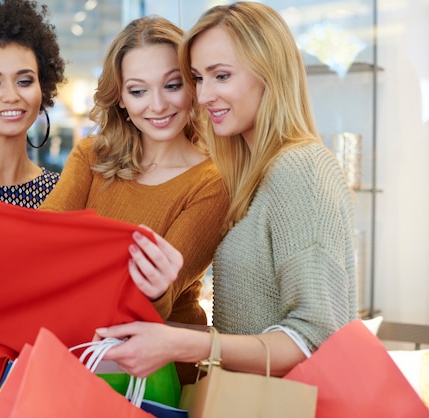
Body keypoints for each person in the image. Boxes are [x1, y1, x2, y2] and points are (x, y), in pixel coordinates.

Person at [0, 11, 228, 384]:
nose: (158, 105)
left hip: (153, 377)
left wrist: (152, 285)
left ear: (194, 85)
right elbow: (38, 244)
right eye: (137, 90)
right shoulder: (92, 156)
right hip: (74, 364)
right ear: (121, 99)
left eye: (173, 85)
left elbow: (156, 301)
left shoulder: (212, 182)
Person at [95, 1, 357, 380]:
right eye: (198, 79)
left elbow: (315, 337)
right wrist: (161, 335)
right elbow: (251, 330)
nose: (202, 97)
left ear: (270, 73)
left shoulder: (301, 167)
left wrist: (187, 344)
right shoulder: (252, 173)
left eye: (221, 76)